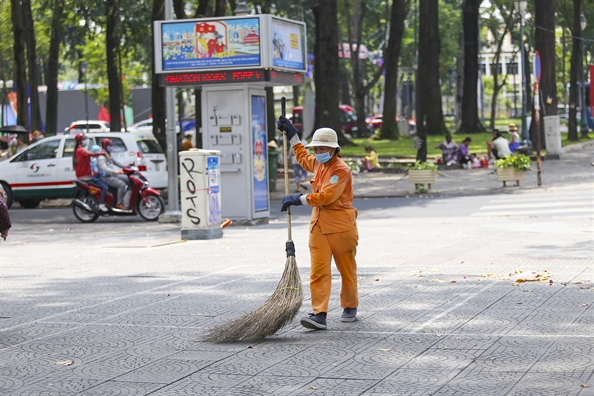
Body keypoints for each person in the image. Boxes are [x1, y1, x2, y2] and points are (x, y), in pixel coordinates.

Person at [277, 116, 359, 330]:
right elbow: (303, 157)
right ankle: (319, 313)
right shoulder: (318, 163)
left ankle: (350, 306)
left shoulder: (340, 170)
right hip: (319, 227)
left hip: (341, 227)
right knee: (318, 271)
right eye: (318, 148)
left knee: (346, 270)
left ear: (334, 149)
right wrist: (293, 134)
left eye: (324, 148)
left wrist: (299, 199)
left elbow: (327, 197)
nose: (319, 151)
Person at [97, 138, 131, 210]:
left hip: (113, 175)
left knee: (130, 180)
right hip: (106, 177)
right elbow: (104, 168)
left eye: (111, 145)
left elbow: (117, 162)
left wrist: (127, 167)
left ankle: (126, 200)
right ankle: (119, 203)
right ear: (105, 146)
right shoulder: (101, 156)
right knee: (122, 185)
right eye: (109, 145)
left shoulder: (108, 154)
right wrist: (115, 171)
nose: (111, 147)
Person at [89, 145, 111, 212]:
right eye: (98, 150)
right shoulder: (94, 161)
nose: (100, 151)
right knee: (105, 187)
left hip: (100, 177)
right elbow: (96, 172)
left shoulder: (97, 159)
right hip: (97, 178)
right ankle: (101, 204)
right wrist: (106, 174)